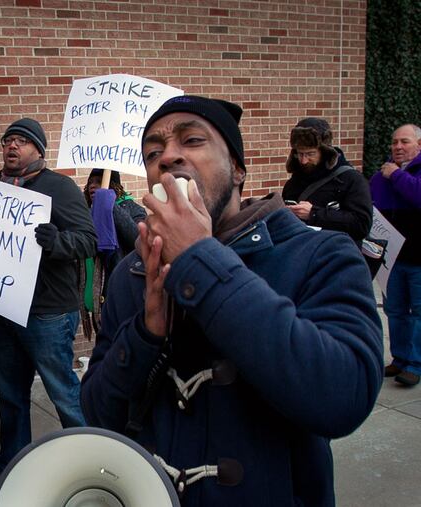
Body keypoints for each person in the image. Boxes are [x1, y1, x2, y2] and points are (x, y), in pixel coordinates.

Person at [80, 95, 383, 505]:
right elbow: (99, 415)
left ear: (238, 169)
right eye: (153, 151)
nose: (168, 157)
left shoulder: (321, 254)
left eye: (192, 141)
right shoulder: (134, 272)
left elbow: (344, 398)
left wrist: (200, 261)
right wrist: (146, 333)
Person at [0, 118, 97, 491]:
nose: (12, 146)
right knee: (9, 393)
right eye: (7, 140)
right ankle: (10, 462)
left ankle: (92, 459)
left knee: (62, 391)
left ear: (38, 150)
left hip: (48, 313)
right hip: (7, 308)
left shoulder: (59, 187)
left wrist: (57, 242)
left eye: (21, 141)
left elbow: (88, 241)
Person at [370, 124, 421, 387]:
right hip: (392, 260)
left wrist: (397, 176)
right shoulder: (382, 176)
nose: (398, 147)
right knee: (395, 311)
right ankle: (400, 359)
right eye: (394, 142)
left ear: (419, 145)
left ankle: (415, 363)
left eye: (405, 142)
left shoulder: (395, 175)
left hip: (418, 260)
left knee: (418, 313)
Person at [282, 117, 372, 246]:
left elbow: (362, 224)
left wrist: (314, 214)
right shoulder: (294, 181)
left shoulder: (351, 179)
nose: (304, 161)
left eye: (310, 154)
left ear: (325, 152)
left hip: (337, 256)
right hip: (302, 253)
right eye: (299, 154)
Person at [80, 169, 146, 337]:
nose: (93, 186)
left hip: (118, 297)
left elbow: (138, 239)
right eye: (90, 182)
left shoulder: (132, 208)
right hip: (94, 299)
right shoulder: (86, 210)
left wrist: (110, 207)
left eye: (99, 181)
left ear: (115, 187)